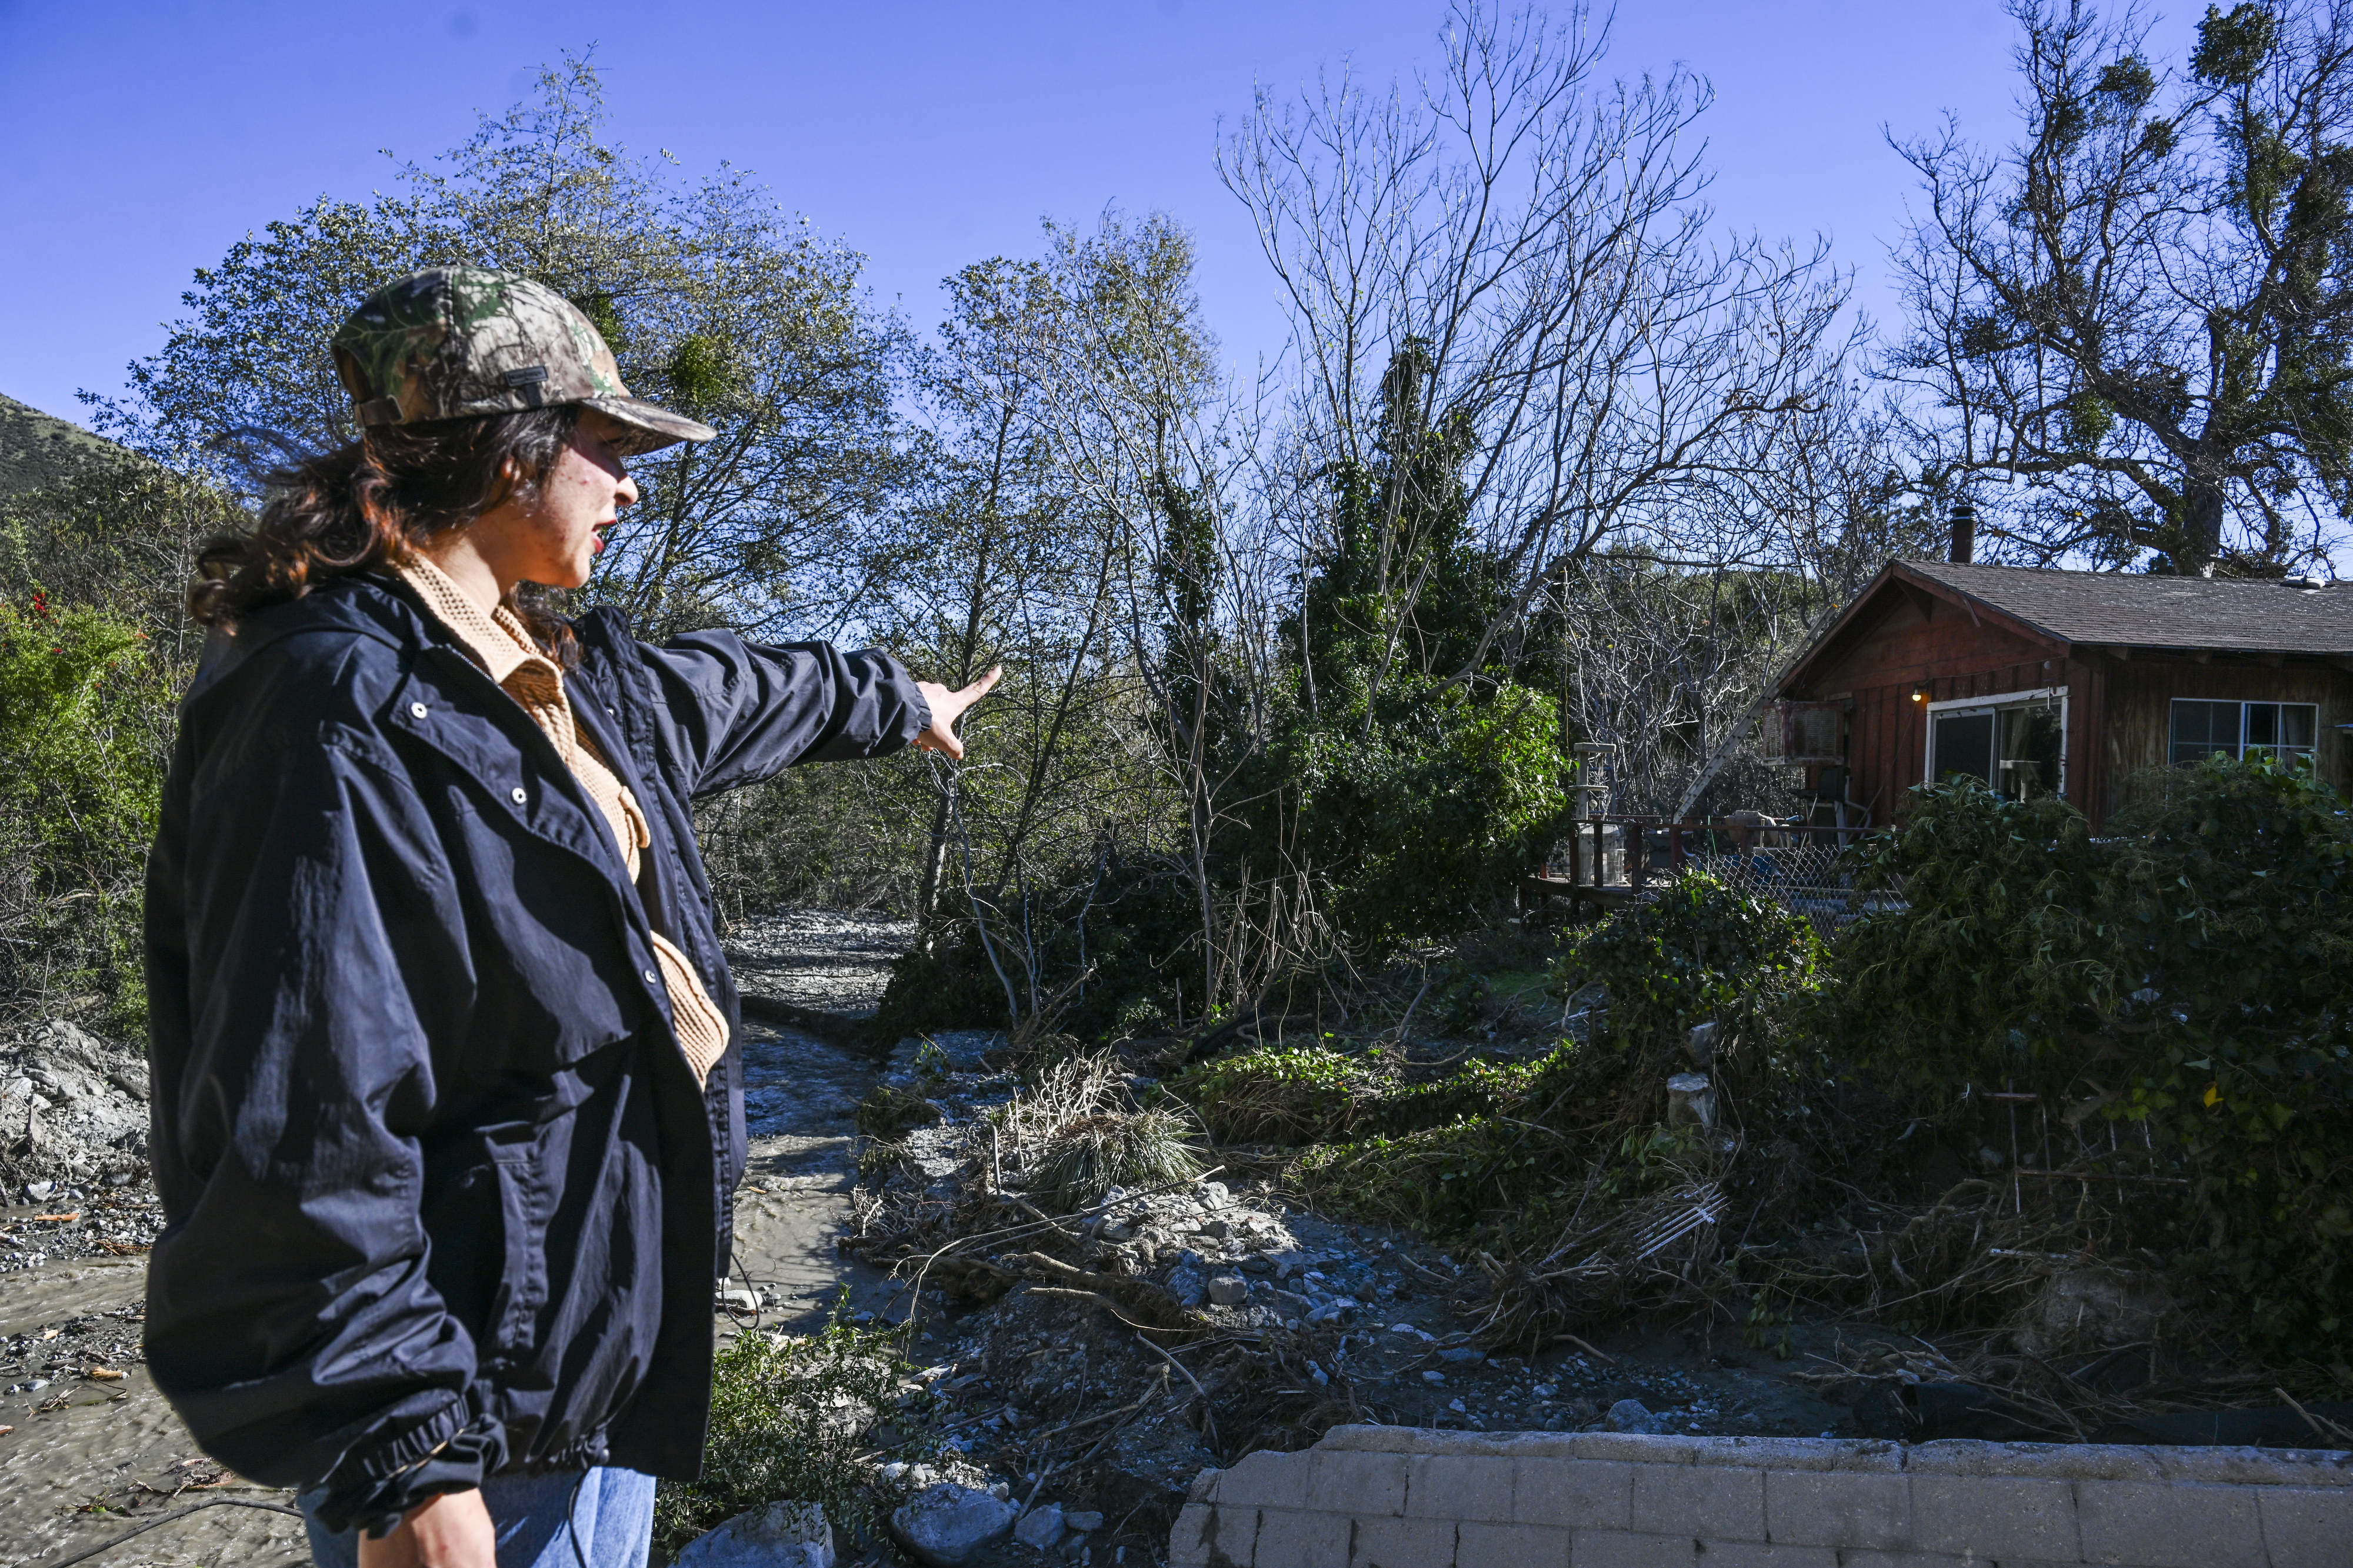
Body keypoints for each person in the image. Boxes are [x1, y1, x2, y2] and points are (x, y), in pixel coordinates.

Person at [141, 266, 999, 1568]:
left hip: (577, 1361)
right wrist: (405, 1463)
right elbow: (301, 1112)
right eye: (605, 447)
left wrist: (896, 695)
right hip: (473, 1410)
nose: (631, 484)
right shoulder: (335, 708)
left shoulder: (536, 670)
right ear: (506, 453)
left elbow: (740, 692)